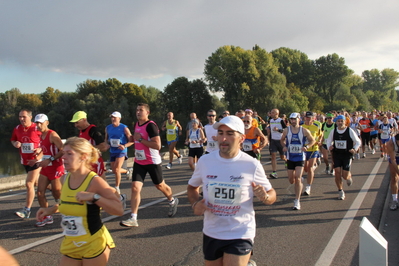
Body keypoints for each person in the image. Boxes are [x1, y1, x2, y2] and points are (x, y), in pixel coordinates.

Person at [187, 115, 276, 266]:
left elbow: (272, 193)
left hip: (240, 232)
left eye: (230, 134)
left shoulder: (251, 165)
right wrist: (195, 204)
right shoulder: (205, 161)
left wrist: (266, 197)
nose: (223, 139)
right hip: (212, 231)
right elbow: (192, 187)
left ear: (241, 138)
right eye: (221, 133)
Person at [36, 137, 123, 265]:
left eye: (69, 154)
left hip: (93, 243)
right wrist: (51, 209)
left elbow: (119, 209)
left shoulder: (95, 181)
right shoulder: (64, 179)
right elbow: (68, 203)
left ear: (83, 156)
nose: (63, 158)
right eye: (63, 153)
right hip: (71, 242)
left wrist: (94, 197)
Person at [120, 103, 179, 227]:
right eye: (137, 110)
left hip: (152, 162)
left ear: (147, 112)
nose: (138, 112)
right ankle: (133, 218)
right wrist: (129, 140)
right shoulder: (136, 124)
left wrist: (140, 139)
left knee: (160, 185)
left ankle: (172, 200)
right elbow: (135, 139)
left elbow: (157, 145)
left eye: (140, 110)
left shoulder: (151, 126)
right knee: (135, 188)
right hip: (139, 162)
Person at [29, 114, 65, 227]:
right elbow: (45, 151)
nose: (38, 125)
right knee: (40, 192)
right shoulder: (40, 135)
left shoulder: (52, 135)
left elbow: (63, 150)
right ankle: (47, 217)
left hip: (56, 167)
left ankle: (66, 210)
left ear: (47, 123)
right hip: (46, 168)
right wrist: (36, 159)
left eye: (41, 123)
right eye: (37, 123)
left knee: (57, 192)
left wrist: (51, 159)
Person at [11, 109, 42, 219]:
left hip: (36, 160)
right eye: (20, 117)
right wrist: (15, 143)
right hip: (25, 160)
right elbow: (13, 140)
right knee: (39, 184)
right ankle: (60, 195)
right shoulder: (17, 128)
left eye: (24, 117)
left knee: (29, 183)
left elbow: (46, 141)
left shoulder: (37, 128)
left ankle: (26, 210)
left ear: (30, 117)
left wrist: (40, 149)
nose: (21, 119)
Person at [281, 112, 315, 210]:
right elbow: (282, 140)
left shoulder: (304, 131)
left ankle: (297, 201)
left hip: (300, 157)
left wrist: (307, 146)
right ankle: (299, 181)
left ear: (299, 119)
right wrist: (284, 146)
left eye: (294, 119)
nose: (293, 121)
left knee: (298, 177)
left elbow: (312, 140)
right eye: (291, 119)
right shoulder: (286, 130)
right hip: (290, 157)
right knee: (291, 180)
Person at [326, 115, 361, 200]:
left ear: (345, 122)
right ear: (336, 122)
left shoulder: (349, 131)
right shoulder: (333, 131)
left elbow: (358, 142)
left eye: (342, 121)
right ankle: (340, 191)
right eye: (338, 121)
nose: (340, 123)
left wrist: (354, 149)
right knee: (337, 172)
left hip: (347, 155)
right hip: (337, 154)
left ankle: (348, 177)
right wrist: (329, 146)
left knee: (344, 176)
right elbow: (328, 140)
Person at [70, 111, 109, 179]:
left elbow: (103, 147)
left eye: (77, 122)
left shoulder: (93, 130)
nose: (75, 125)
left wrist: (86, 148)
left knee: (98, 185)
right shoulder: (81, 131)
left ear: (84, 119)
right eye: (74, 123)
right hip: (86, 162)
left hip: (95, 162)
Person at [105, 111, 134, 194]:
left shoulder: (124, 128)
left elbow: (131, 141)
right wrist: (106, 144)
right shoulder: (108, 128)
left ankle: (117, 187)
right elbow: (106, 139)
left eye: (114, 117)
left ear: (119, 118)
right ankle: (127, 171)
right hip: (112, 150)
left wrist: (124, 146)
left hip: (121, 151)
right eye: (112, 117)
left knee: (117, 169)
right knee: (114, 170)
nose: (113, 119)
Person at [301, 111, 322, 196]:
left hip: (313, 149)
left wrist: (319, 140)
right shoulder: (301, 127)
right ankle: (314, 167)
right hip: (304, 150)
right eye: (307, 117)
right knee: (305, 168)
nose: (308, 119)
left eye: (309, 117)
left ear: (313, 118)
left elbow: (320, 134)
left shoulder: (316, 126)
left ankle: (308, 187)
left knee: (309, 168)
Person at [267, 108, 287, 179]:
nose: (271, 114)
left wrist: (278, 130)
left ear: (276, 114)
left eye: (272, 113)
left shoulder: (281, 120)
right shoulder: (270, 120)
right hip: (273, 141)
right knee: (273, 156)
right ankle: (274, 172)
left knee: (282, 157)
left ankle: (286, 160)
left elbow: (286, 129)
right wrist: (268, 137)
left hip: (280, 140)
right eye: (271, 112)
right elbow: (270, 128)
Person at [386, 134, 399, 210]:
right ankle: (394, 200)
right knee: (394, 177)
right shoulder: (390, 143)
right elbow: (393, 160)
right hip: (394, 157)